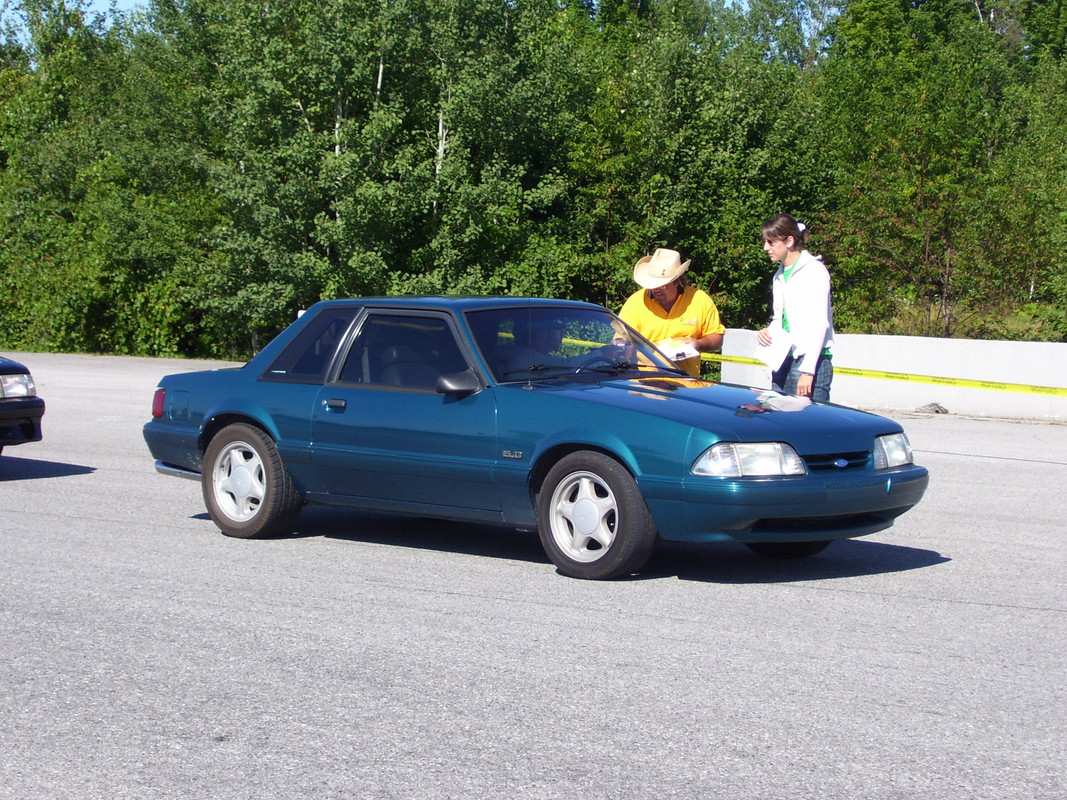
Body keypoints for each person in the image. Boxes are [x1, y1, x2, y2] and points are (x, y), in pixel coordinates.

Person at [756, 213, 835, 402]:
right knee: (779, 421)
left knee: (811, 425)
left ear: (790, 240)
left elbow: (819, 323)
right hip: (784, 358)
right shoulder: (779, 275)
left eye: (771, 242)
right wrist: (767, 332)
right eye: (765, 242)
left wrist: (808, 370)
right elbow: (781, 319)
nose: (766, 248)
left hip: (810, 360)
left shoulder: (814, 271)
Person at [618, 248, 725, 377]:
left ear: (677, 282)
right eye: (653, 284)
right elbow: (621, 339)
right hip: (644, 383)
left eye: (663, 285)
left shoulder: (699, 299)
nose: (657, 289)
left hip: (685, 384)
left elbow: (717, 338)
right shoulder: (635, 302)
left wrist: (698, 344)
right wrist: (622, 347)